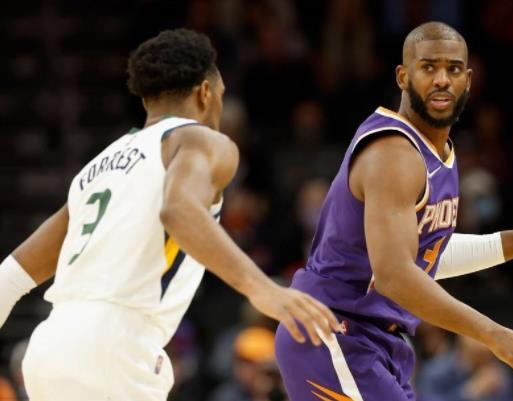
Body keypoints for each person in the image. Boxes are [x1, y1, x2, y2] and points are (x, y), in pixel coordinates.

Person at [274, 21, 513, 401]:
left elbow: (425, 259)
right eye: (428, 67)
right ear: (403, 77)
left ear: (468, 80)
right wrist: (493, 334)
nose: (441, 79)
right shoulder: (394, 154)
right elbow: (395, 275)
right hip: (333, 333)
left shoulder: (439, 153)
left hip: (371, 340)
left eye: (453, 69)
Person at [0, 29, 340, 401]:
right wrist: (265, 291)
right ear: (205, 93)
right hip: (116, 343)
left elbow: (11, 275)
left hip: (49, 347)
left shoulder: (95, 169)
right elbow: (178, 210)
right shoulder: (200, 140)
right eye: (221, 95)